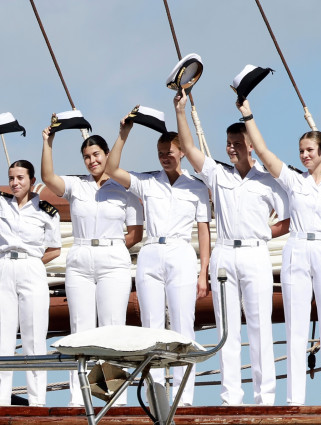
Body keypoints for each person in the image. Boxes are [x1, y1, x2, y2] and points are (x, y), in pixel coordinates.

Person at [173, 89, 290, 406]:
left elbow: (290, 219)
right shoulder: (217, 174)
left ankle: (264, 398)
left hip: (255, 253)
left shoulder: (268, 181)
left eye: (237, 144)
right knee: (226, 330)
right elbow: (188, 148)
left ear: (250, 147)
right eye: (229, 144)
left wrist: (265, 233)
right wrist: (181, 112)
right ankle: (231, 397)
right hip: (224, 254)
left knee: (259, 326)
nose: (231, 149)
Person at [236, 99, 321, 406]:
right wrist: (247, 114)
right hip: (298, 249)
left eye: (309, 151)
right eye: (301, 150)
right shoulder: (292, 180)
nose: (303, 156)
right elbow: (263, 152)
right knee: (296, 326)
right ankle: (295, 398)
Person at [105, 119, 211, 406]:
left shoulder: (197, 188)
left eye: (170, 152)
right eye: (160, 152)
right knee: (150, 327)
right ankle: (153, 394)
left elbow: (203, 231)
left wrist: (203, 272)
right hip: (151, 250)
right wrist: (123, 134)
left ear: (182, 153)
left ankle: (183, 396)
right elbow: (112, 169)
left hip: (180, 252)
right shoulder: (148, 181)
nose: (165, 157)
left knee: (182, 324)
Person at [41, 128, 143, 407]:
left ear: (107, 155)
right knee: (80, 329)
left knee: (112, 327)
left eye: (96, 154)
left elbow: (135, 233)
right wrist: (47, 142)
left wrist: (111, 246)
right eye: (86, 156)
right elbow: (48, 178)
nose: (91, 160)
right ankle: (79, 397)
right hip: (81, 257)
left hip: (113, 257)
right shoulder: (77, 185)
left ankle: (114, 397)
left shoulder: (126, 190)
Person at [0, 160, 61, 406]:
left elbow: (55, 249)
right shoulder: (1, 204)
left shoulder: (46, 211)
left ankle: (37, 401)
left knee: (34, 336)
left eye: (20, 178)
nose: (15, 183)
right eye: (11, 178)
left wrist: (33, 262)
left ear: (32, 181)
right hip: (4, 266)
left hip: (32, 267)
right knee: (3, 335)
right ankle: (2, 400)